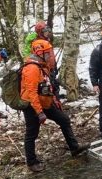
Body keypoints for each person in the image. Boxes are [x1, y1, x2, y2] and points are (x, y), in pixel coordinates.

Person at [20, 39, 88, 172]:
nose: (50, 55)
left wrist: (54, 101)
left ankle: (74, 147)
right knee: (31, 134)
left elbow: (47, 86)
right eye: (47, 52)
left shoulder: (42, 65)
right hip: (32, 105)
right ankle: (31, 162)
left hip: (45, 102)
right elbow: (32, 92)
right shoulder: (32, 68)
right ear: (39, 52)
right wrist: (39, 113)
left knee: (64, 119)